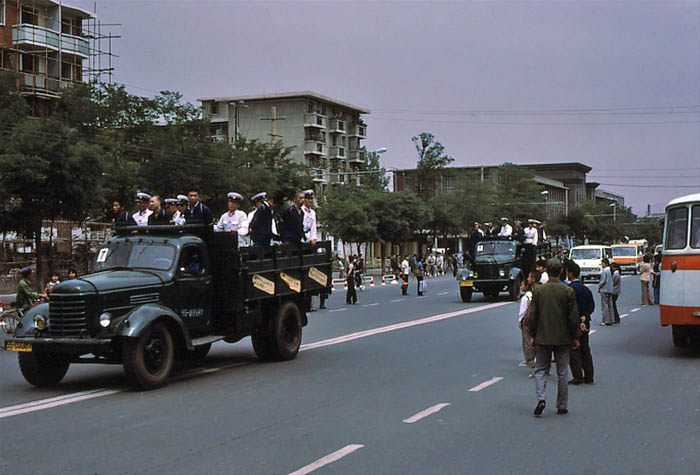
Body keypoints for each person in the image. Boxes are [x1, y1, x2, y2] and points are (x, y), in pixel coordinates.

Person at [528, 258, 581, 417]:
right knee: (563, 372)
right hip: (563, 338)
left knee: (540, 370)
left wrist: (532, 335)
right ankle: (562, 405)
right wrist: (575, 336)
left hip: (542, 337)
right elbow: (573, 317)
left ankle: (541, 398)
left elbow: (533, 316)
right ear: (561, 272)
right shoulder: (568, 291)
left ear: (546, 272)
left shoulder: (538, 291)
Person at [567, 262, 595, 385]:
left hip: (574, 322)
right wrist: (586, 316)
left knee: (574, 350)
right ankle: (589, 376)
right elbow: (592, 306)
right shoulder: (586, 289)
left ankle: (577, 376)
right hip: (586, 321)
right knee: (585, 349)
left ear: (570, 273)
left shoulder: (570, 290)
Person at [518, 276, 537, 371]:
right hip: (535, 320)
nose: (521, 287)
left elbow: (522, 311)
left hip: (526, 321)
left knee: (526, 340)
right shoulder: (534, 294)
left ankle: (529, 359)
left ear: (526, 286)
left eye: (522, 285)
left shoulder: (525, 297)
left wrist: (520, 321)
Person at [598, 257, 614, 325]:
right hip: (610, 289)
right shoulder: (609, 270)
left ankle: (606, 320)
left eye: (602, 263)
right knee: (610, 304)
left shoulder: (604, 271)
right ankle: (611, 319)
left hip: (604, 289)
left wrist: (599, 286)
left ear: (605, 263)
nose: (601, 264)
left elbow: (603, 281)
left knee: (604, 305)